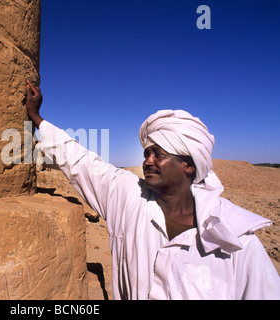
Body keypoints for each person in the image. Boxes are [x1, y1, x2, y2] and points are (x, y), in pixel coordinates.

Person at [24, 80, 280, 300]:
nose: (148, 160)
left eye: (158, 154)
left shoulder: (236, 239)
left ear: (188, 165)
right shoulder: (126, 196)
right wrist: (38, 119)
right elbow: (82, 161)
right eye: (146, 153)